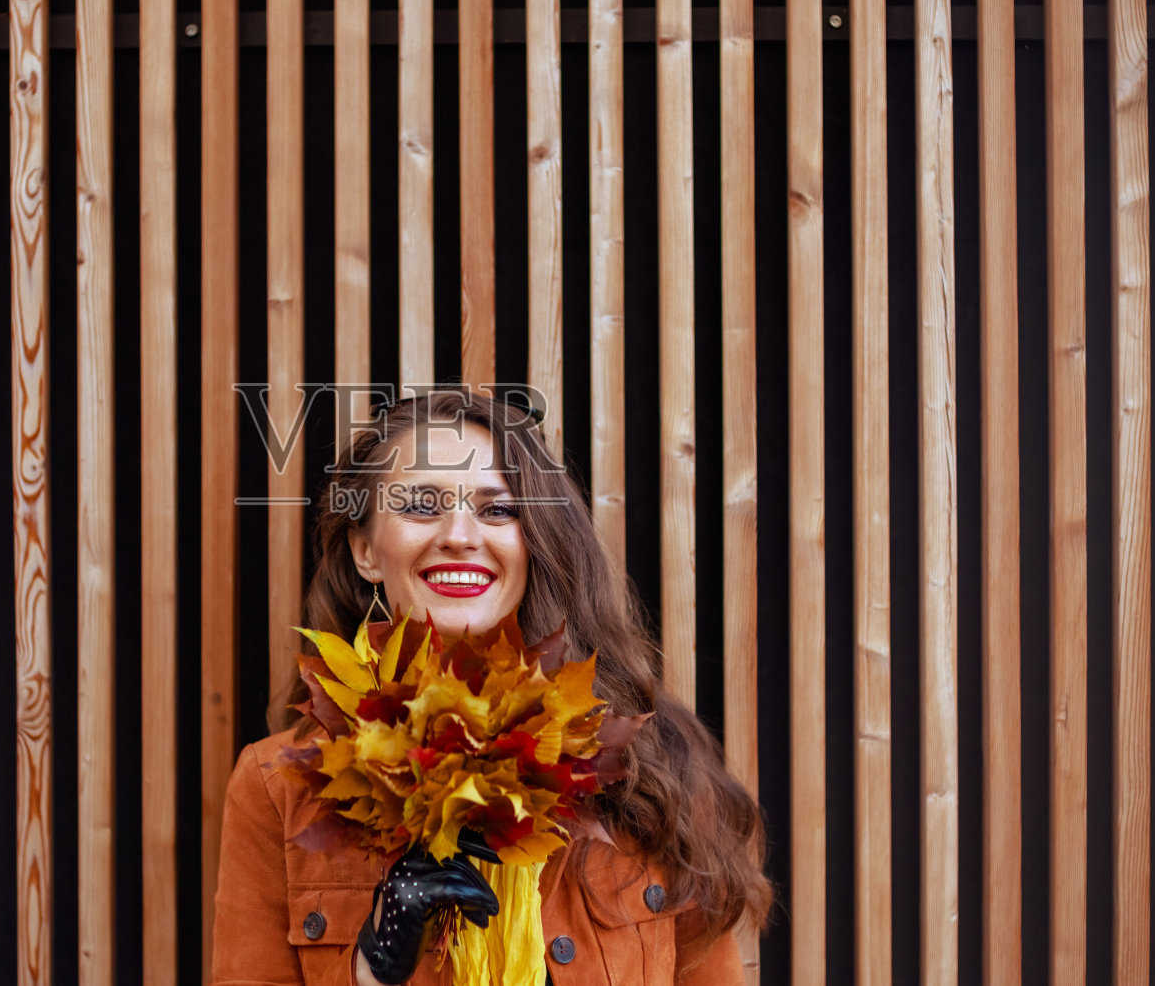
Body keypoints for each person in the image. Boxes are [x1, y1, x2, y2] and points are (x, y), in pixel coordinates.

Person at [212, 391, 771, 985]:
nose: (459, 534)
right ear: (366, 552)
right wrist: (376, 966)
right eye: (421, 506)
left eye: (497, 510)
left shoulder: (648, 769)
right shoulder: (275, 788)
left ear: (535, 545)